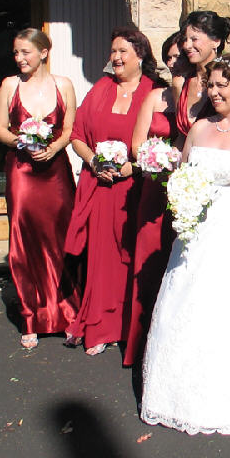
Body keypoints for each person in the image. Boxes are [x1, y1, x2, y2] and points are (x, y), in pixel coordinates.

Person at [140, 54, 230, 435]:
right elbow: (183, 174)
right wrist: (181, 195)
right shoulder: (200, 127)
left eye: (223, 85)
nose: (214, 92)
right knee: (184, 305)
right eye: (211, 85)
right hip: (195, 234)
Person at [63, 26, 162, 356]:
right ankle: (102, 326)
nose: (115, 57)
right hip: (101, 187)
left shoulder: (153, 91)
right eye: (113, 51)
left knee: (132, 259)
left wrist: (130, 168)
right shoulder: (101, 88)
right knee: (102, 260)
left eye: (123, 51)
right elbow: (77, 134)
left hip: (136, 188)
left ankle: (129, 328)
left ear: (140, 55)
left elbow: (161, 144)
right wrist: (92, 162)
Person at [0, 28, 79, 350]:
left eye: (25, 52)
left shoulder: (64, 85)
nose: (19, 59)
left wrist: (55, 147)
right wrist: (23, 140)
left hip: (55, 172)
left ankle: (68, 313)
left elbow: (70, 128)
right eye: (15, 53)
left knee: (61, 239)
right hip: (23, 172)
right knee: (24, 240)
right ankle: (31, 316)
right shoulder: (9, 85)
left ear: (43, 52)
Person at [122, 31, 183, 369]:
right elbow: (136, 144)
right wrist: (156, 159)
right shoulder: (155, 96)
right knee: (149, 261)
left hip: (187, 191)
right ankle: (142, 342)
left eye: (179, 57)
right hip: (154, 187)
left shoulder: (202, 97)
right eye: (169, 57)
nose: (174, 62)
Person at [173, 11, 230, 144]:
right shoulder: (182, 83)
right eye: (185, 40)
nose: (187, 46)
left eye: (194, 39)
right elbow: (182, 137)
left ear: (216, 41)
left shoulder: (229, 80)